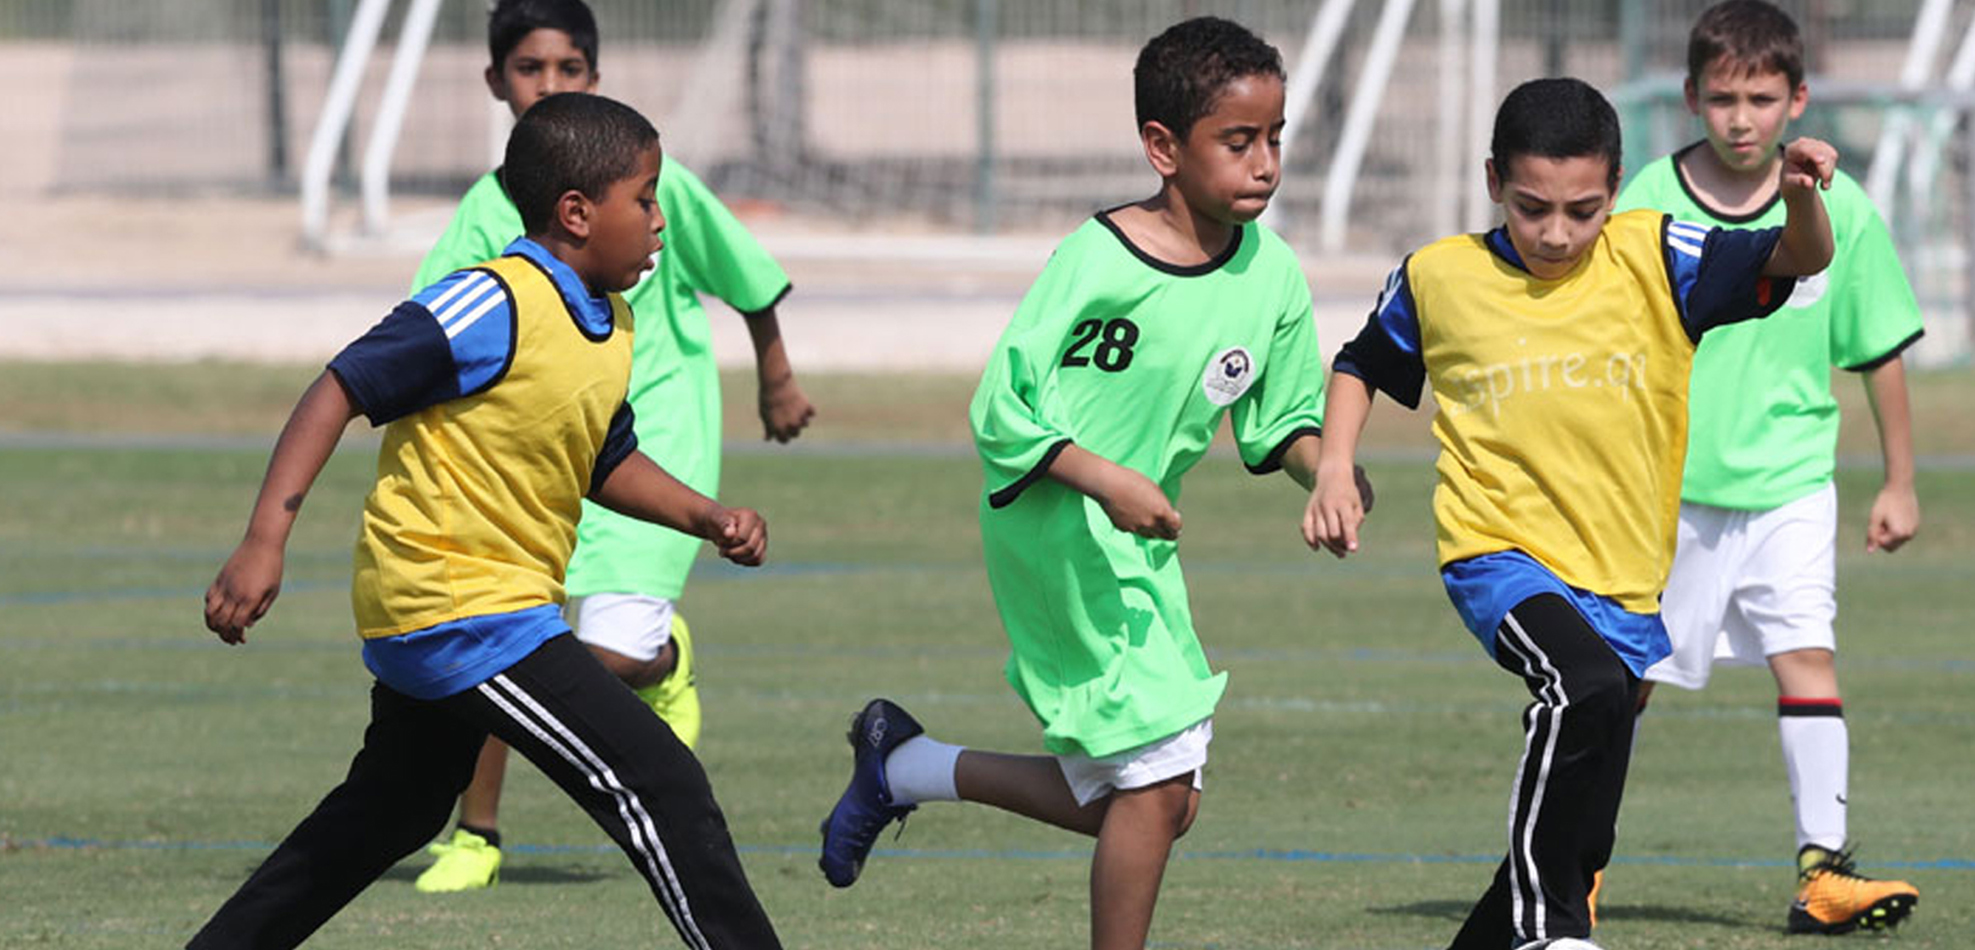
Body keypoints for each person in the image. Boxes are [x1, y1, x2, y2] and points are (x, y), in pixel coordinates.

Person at [189, 92, 784, 950]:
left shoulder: (609, 323)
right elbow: (342, 386)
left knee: (394, 808)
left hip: (483, 609)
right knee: (659, 783)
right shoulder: (490, 303)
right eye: (646, 199)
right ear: (577, 213)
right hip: (459, 607)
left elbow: (604, 460)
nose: (661, 220)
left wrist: (707, 516)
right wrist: (264, 540)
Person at [813, 17, 1332, 950]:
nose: (1266, 164)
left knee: (1156, 804)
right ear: (1162, 149)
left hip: (1138, 541)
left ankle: (908, 766)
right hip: (1056, 526)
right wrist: (1100, 479)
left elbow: (1280, 422)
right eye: (1239, 141)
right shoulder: (1097, 259)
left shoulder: (1274, 277)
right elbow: (999, 409)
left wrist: (1329, 473)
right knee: (1159, 783)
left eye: (1276, 138)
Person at [1303, 77, 1839, 950]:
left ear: (1616, 187)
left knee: (1581, 824)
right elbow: (1363, 363)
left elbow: (1796, 259)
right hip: (1498, 554)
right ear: (1492, 182)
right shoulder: (1439, 276)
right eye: (1532, 207)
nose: (1557, 232)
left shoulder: (1661, 256)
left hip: (1625, 580)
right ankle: (1552, 932)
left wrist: (1801, 199)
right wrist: (1333, 466)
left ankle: (1514, 924)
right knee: (1579, 688)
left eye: (1583, 210)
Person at [408, 0, 816, 893]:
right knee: (499, 646)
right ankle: (475, 835)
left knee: (610, 654)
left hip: (653, 448)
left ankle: (661, 659)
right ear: (494, 82)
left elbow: (747, 277)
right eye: (528, 69)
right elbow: (434, 334)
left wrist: (775, 377)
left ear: (595, 76)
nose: (547, 86)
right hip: (537, 470)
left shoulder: (648, 183)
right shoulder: (484, 214)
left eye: (566, 70)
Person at [1614, 0, 1922, 934]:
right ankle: (1566, 862)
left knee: (1808, 658)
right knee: (1622, 681)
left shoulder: (1844, 207)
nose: (1740, 118)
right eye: (1721, 98)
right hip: (1668, 490)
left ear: (1798, 99)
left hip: (1792, 483)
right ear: (1689, 99)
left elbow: (1877, 349)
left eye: (1759, 97)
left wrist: (1899, 480)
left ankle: (1822, 873)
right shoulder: (1642, 203)